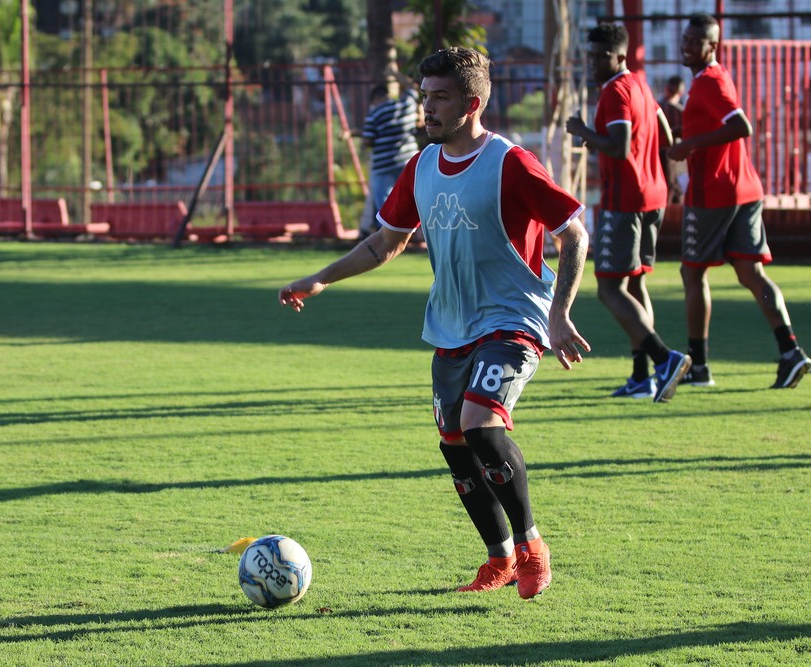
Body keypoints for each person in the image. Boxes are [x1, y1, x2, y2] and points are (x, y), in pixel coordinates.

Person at [279, 47, 590, 599]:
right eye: (425, 95)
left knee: (480, 423)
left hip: (512, 319)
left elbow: (573, 232)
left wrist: (561, 311)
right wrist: (322, 278)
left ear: (471, 104)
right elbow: (385, 243)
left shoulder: (510, 163)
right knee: (454, 443)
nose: (427, 108)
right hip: (451, 326)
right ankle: (497, 558)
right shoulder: (422, 167)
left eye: (439, 97)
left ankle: (531, 545)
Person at [667, 14, 811, 389]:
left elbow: (741, 126)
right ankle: (790, 350)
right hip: (744, 188)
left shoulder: (712, 79)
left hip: (715, 192)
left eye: (694, 40)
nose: (685, 45)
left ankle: (698, 366)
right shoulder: (707, 79)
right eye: (684, 38)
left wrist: (689, 144)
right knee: (751, 273)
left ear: (712, 46)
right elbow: (716, 125)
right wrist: (686, 130)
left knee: (692, 272)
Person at [565, 23, 691, 402]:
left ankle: (663, 358)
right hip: (651, 195)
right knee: (635, 284)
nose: (593, 62)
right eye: (590, 55)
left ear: (620, 56)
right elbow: (664, 132)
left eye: (601, 56)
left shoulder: (615, 91)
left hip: (625, 201)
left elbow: (618, 147)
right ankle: (641, 377)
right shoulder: (639, 83)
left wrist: (584, 132)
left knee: (608, 287)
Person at [358, 78, 421, 238]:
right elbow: (413, 87)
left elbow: (367, 139)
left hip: (384, 164)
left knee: (385, 203)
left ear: (375, 99)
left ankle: (389, 237)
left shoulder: (374, 113)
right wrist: (394, 74)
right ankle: (417, 231)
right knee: (415, 197)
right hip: (408, 160)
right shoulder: (406, 104)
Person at [659, 75, 685, 205]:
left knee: (666, 183)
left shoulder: (657, 107)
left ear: (666, 89)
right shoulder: (681, 112)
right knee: (672, 183)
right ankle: (672, 213)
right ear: (681, 92)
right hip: (672, 153)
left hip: (656, 152)